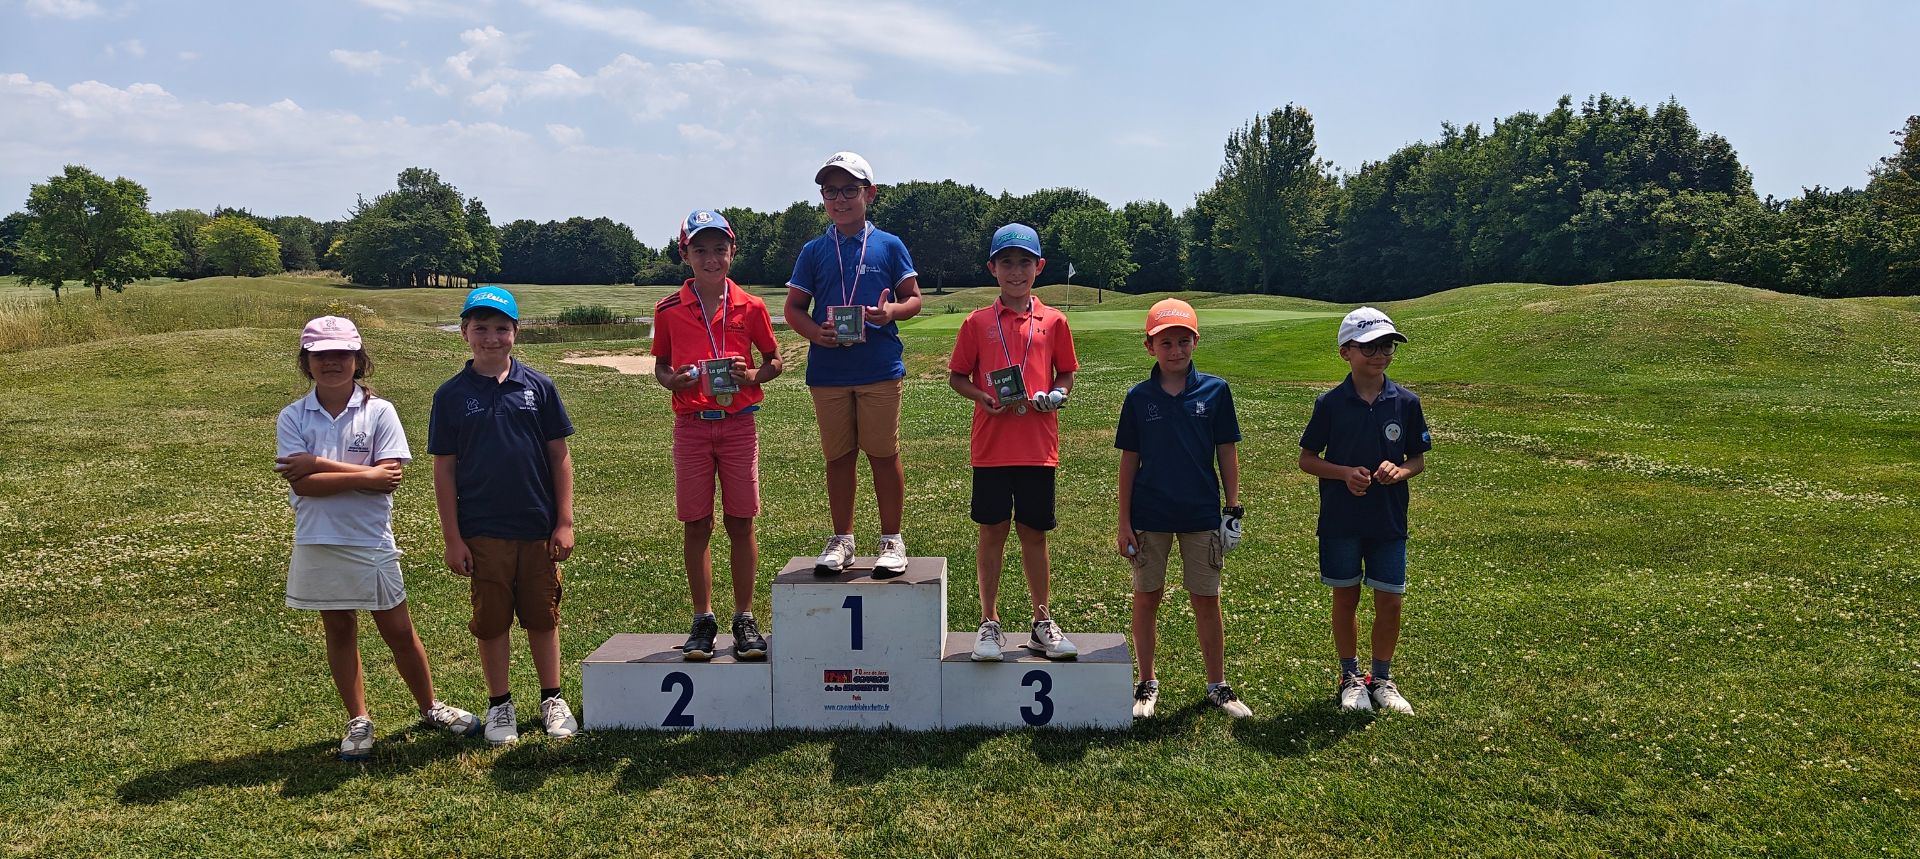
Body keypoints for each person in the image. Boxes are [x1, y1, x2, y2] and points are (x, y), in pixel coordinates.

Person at [273, 315, 479, 761]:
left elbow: (388, 479)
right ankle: (358, 719)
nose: (331, 363)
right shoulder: (292, 416)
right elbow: (304, 486)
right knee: (339, 628)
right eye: (321, 355)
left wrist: (317, 463)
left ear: (358, 359)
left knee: (398, 630)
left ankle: (430, 706)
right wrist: (360, 474)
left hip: (371, 539)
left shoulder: (379, 411)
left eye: (341, 354)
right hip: (317, 537)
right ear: (306, 361)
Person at [427, 286, 580, 745]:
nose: (491, 338)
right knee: (492, 621)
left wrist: (564, 521)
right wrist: (453, 538)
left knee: (542, 616)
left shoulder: (539, 388)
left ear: (516, 332)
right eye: (481, 328)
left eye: (501, 328)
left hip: (537, 527)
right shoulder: (451, 395)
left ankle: (552, 698)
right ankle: (500, 705)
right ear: (464, 333)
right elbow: (444, 469)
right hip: (482, 531)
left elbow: (559, 456)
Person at [783, 151, 923, 578]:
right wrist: (815, 333)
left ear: (870, 193)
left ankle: (892, 540)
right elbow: (793, 308)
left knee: (883, 453)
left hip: (879, 368)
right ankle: (842, 540)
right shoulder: (813, 251)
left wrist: (891, 312)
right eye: (830, 191)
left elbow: (914, 300)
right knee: (838, 457)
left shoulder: (889, 245)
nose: (839, 199)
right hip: (828, 373)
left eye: (849, 190)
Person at [652, 210, 783, 661]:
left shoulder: (752, 306)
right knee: (697, 523)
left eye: (719, 249)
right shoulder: (668, 309)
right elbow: (661, 366)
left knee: (741, 521)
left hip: (738, 425)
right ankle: (702, 618)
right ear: (684, 254)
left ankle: (744, 617)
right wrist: (672, 381)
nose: (711, 259)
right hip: (691, 426)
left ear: (732, 252)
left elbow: (774, 361)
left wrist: (753, 376)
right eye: (701, 250)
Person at [947, 224, 1080, 661]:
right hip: (992, 446)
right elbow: (957, 376)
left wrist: (1057, 395)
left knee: (1034, 533)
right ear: (993, 268)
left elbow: (1066, 373)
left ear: (1039, 267)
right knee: (992, 531)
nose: (1016, 271)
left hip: (1038, 446)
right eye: (1007, 262)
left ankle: (1042, 622)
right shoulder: (977, 322)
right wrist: (981, 396)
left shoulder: (1055, 321)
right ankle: (989, 621)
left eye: (1025, 262)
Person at [1115, 299, 1252, 719]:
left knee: (1206, 599)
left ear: (1196, 341)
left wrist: (1233, 507)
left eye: (1183, 341)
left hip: (1200, 513)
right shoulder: (1138, 397)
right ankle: (1147, 681)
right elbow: (1129, 461)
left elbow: (1226, 451)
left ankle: (1217, 684)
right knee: (1146, 597)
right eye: (1166, 342)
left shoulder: (1216, 390)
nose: (1175, 350)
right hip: (1150, 514)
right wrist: (1123, 521)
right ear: (1149, 346)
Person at [1298, 306, 1430, 715]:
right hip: (1341, 520)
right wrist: (1343, 473)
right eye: (1369, 347)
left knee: (1390, 600)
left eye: (1387, 346)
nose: (1380, 355)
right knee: (1346, 597)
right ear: (1346, 352)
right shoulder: (1330, 403)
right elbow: (1307, 459)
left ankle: (1382, 678)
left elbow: (1417, 459)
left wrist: (1400, 470)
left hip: (1388, 520)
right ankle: (1351, 677)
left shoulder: (1406, 402)